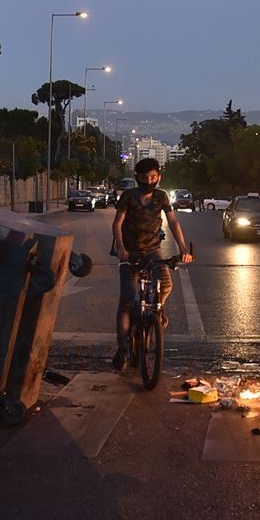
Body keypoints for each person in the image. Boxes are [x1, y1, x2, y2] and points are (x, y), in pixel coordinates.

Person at [111, 158, 193, 371]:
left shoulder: (161, 197)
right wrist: (121, 247)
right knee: (128, 300)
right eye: (145, 177)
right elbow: (117, 223)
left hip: (153, 252)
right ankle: (123, 350)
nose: (149, 181)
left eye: (153, 177)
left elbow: (173, 222)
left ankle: (158, 310)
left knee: (165, 285)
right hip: (130, 254)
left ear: (159, 177)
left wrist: (183, 249)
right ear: (137, 177)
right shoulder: (128, 197)